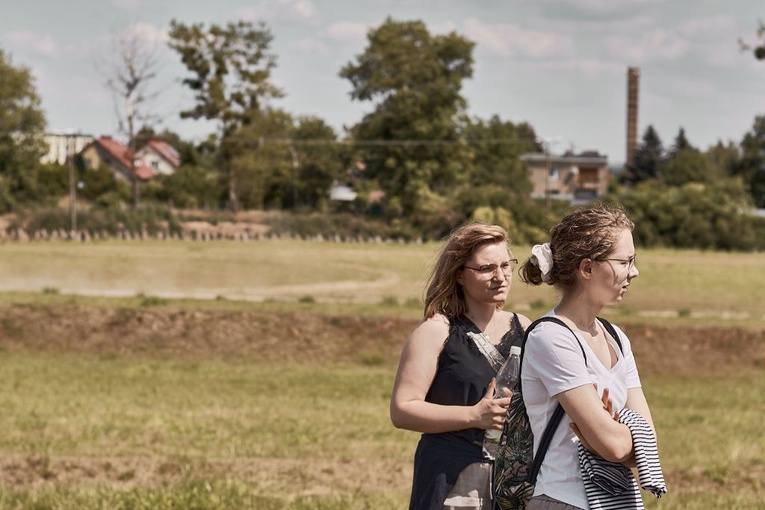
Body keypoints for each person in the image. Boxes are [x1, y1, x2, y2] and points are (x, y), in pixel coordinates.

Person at [518, 205, 658, 510]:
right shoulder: (552, 338)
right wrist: (615, 434)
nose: (634, 271)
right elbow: (619, 445)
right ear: (587, 269)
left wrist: (611, 433)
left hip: (613, 501)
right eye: (625, 261)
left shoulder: (617, 337)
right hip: (564, 501)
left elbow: (645, 447)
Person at [390, 222, 532, 510]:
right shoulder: (435, 331)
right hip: (455, 478)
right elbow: (402, 410)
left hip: (514, 481)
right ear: (459, 274)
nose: (500, 276)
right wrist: (473, 416)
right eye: (486, 268)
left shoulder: (526, 328)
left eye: (506, 265)